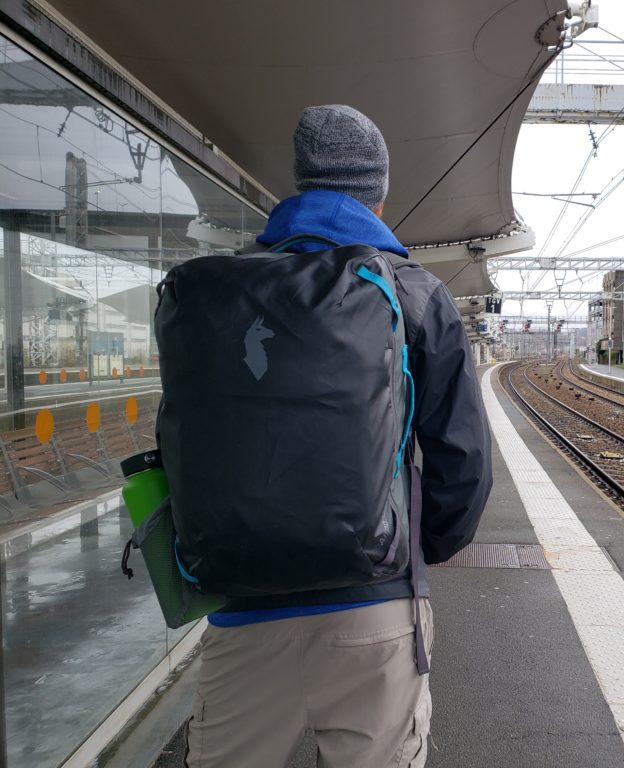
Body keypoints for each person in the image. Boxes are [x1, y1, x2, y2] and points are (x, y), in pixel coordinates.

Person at [180, 104, 493, 767]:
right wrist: (417, 546)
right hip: (373, 603)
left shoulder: (222, 292)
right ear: (379, 194)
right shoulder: (412, 291)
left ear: (299, 185)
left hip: (243, 605)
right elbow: (460, 458)